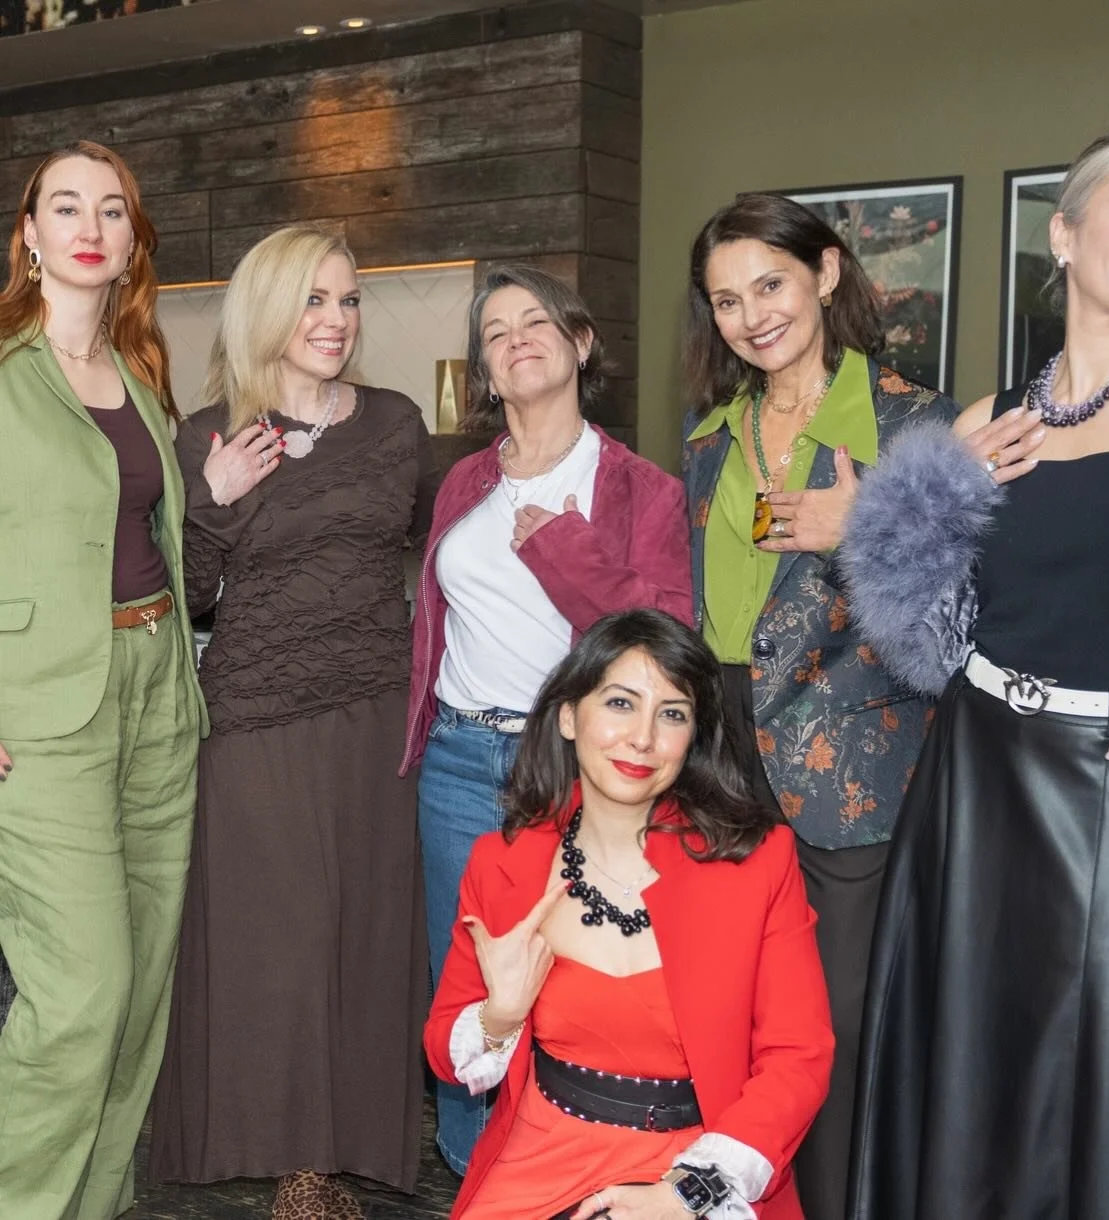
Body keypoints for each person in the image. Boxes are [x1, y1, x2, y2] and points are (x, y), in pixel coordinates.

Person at [842, 128, 1109, 1218]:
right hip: (977, 784)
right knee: (979, 1090)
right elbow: (917, 629)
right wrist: (932, 493)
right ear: (1063, 235)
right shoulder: (986, 420)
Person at [150, 224, 440, 1219]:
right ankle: (287, 1157)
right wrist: (216, 503)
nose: (336, 320)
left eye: (349, 300)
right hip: (256, 717)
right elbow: (182, 593)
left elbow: (451, 546)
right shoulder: (206, 434)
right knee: (279, 942)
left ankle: (325, 1160)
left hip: (374, 713)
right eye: (315, 299)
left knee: (362, 934)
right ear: (268, 308)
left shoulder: (396, 421)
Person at [679, 192, 958, 1219]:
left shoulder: (915, 420)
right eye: (724, 299)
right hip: (722, 772)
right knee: (734, 1028)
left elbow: (961, 622)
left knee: (834, 1040)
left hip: (856, 776)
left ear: (827, 274)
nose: (751, 314)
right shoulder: (708, 439)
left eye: (770, 284)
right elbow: (713, 619)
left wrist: (868, 520)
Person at [403, 265, 692, 1173]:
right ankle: (470, 1170)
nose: (516, 337)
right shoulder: (460, 485)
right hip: (455, 759)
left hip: (572, 769)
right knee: (471, 981)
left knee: (569, 978)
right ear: (485, 372)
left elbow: (661, 636)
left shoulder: (641, 489)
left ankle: (562, 1173)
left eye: (537, 321)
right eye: (495, 331)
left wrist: (561, 546)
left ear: (580, 344)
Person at [425, 608, 833, 1219]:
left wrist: (688, 1194)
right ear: (568, 715)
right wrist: (499, 1014)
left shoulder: (757, 864)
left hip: (700, 1168)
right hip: (542, 1158)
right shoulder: (502, 864)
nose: (642, 738)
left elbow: (798, 1058)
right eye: (619, 703)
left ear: (692, 738)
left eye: (672, 714)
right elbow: (442, 1047)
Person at [0, 140, 205, 1220]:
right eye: (64, 206)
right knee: (82, 992)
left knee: (139, 998)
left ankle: (96, 1200)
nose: (91, 225)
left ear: (131, 243)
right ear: (28, 236)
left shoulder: (138, 371)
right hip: (39, 707)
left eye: (113, 209)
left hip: (159, 692)